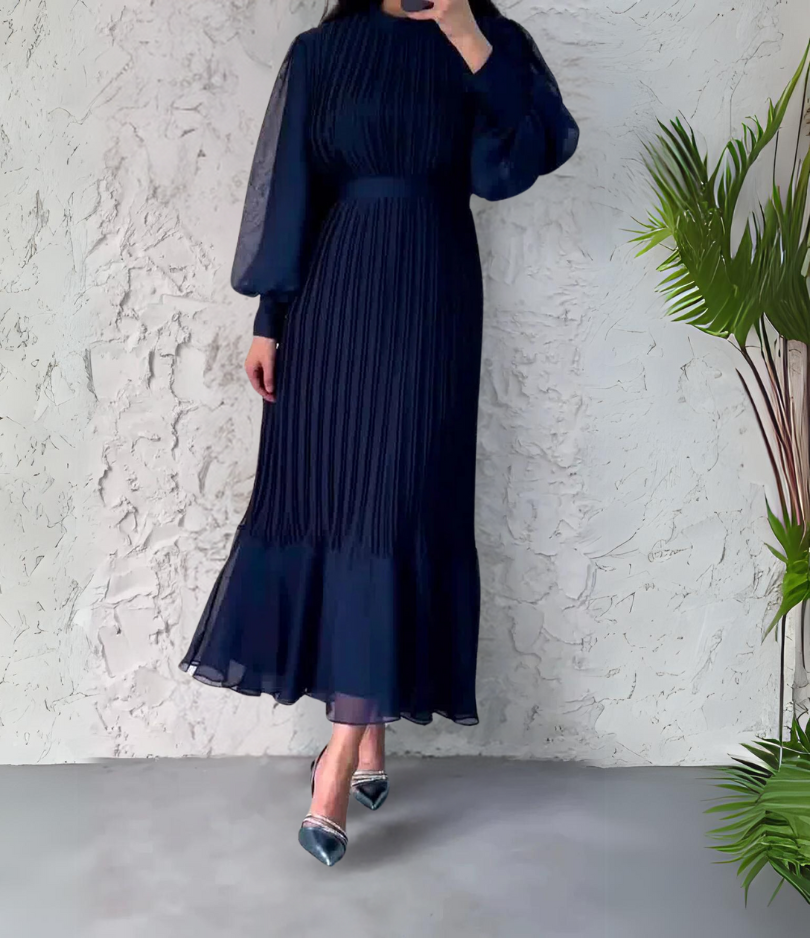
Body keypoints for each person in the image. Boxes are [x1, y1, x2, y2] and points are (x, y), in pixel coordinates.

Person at [179, 0, 579, 866]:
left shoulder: (485, 41)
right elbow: (295, 189)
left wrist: (467, 36)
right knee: (339, 506)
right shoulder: (321, 53)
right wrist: (269, 318)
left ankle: (335, 763)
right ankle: (366, 731)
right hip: (332, 301)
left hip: (431, 298)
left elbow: (529, 150)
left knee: (397, 507)